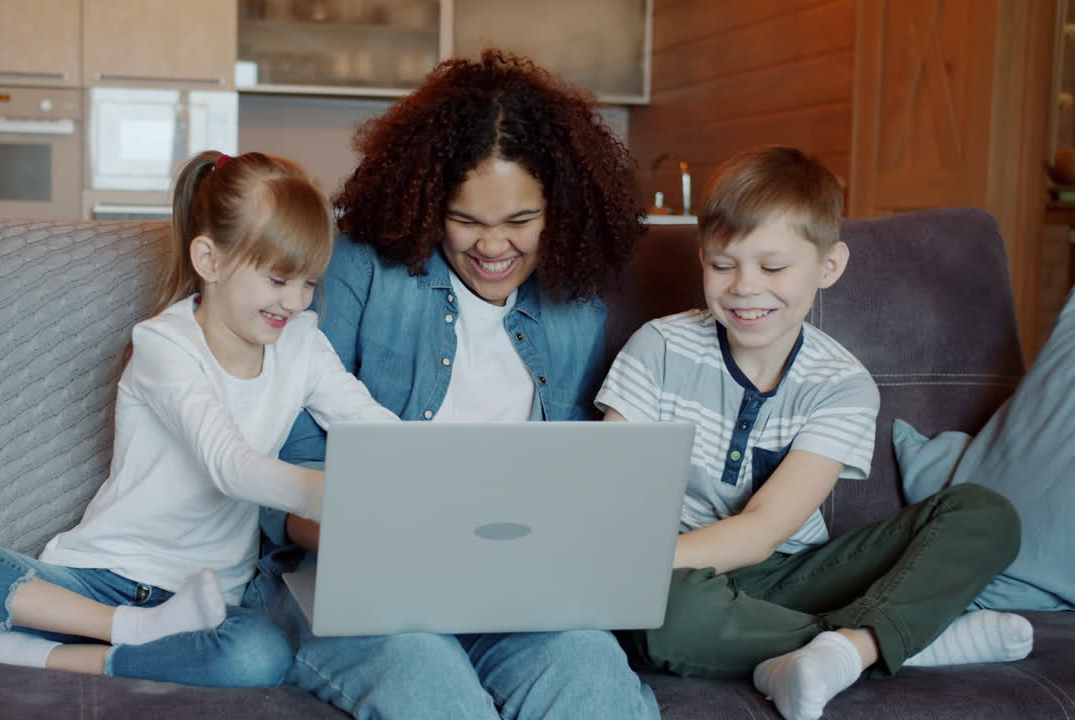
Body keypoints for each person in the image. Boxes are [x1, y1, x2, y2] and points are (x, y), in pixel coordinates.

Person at [0, 151, 399, 687]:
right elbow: (230, 466)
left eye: (308, 282)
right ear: (209, 261)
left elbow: (371, 425)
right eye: (279, 280)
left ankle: (55, 650)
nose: (297, 302)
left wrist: (434, 473)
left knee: (259, 655)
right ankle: (122, 628)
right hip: (98, 582)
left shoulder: (300, 343)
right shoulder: (165, 343)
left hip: (207, 600)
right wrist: (326, 491)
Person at [249, 49, 657, 720]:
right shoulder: (356, 270)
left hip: (515, 595)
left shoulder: (574, 305)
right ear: (429, 201)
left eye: (521, 222)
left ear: (560, 209)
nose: (494, 248)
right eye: (466, 220)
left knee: (590, 670)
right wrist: (393, 539)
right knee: (426, 680)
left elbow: (581, 478)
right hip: (358, 583)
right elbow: (284, 465)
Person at [597, 145, 1033, 720]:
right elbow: (610, 493)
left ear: (829, 266)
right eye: (723, 265)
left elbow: (761, 533)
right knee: (667, 620)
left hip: (789, 572)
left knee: (985, 512)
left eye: (773, 267)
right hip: (680, 574)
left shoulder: (842, 385)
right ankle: (894, 641)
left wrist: (631, 566)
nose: (746, 288)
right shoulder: (659, 347)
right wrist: (625, 567)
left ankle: (853, 645)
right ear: (702, 258)